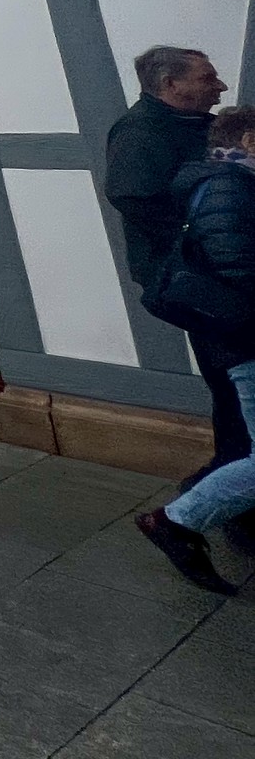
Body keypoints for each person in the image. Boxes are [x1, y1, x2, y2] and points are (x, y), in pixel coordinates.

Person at [105, 45, 243, 476]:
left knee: (240, 382)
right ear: (170, 84)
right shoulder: (139, 131)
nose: (220, 86)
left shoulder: (195, 124)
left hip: (223, 274)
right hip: (200, 283)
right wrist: (209, 237)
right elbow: (135, 199)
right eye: (207, 78)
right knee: (233, 385)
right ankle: (226, 485)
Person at [137, 104, 255, 595]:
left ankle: (178, 521)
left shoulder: (236, 182)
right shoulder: (229, 186)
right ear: (248, 140)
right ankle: (175, 521)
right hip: (246, 341)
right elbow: (239, 270)